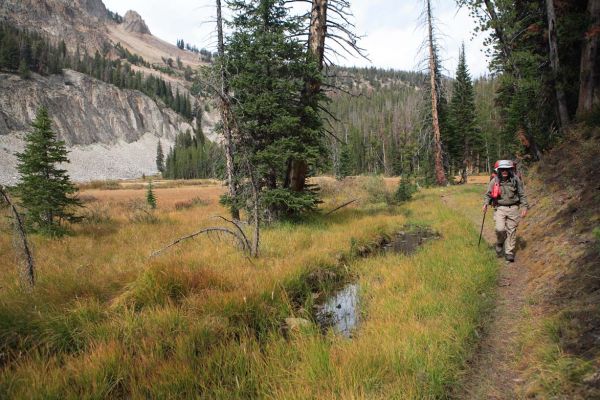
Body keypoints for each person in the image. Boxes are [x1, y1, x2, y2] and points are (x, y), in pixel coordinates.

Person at [482, 160, 529, 262]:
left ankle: (509, 252)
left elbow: (522, 195)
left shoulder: (516, 180)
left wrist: (524, 207)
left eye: (507, 169)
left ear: (510, 170)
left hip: (514, 208)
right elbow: (488, 195)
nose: (504, 171)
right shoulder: (494, 181)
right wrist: (485, 204)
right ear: (499, 170)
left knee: (511, 230)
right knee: (500, 229)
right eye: (502, 169)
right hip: (500, 208)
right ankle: (500, 242)